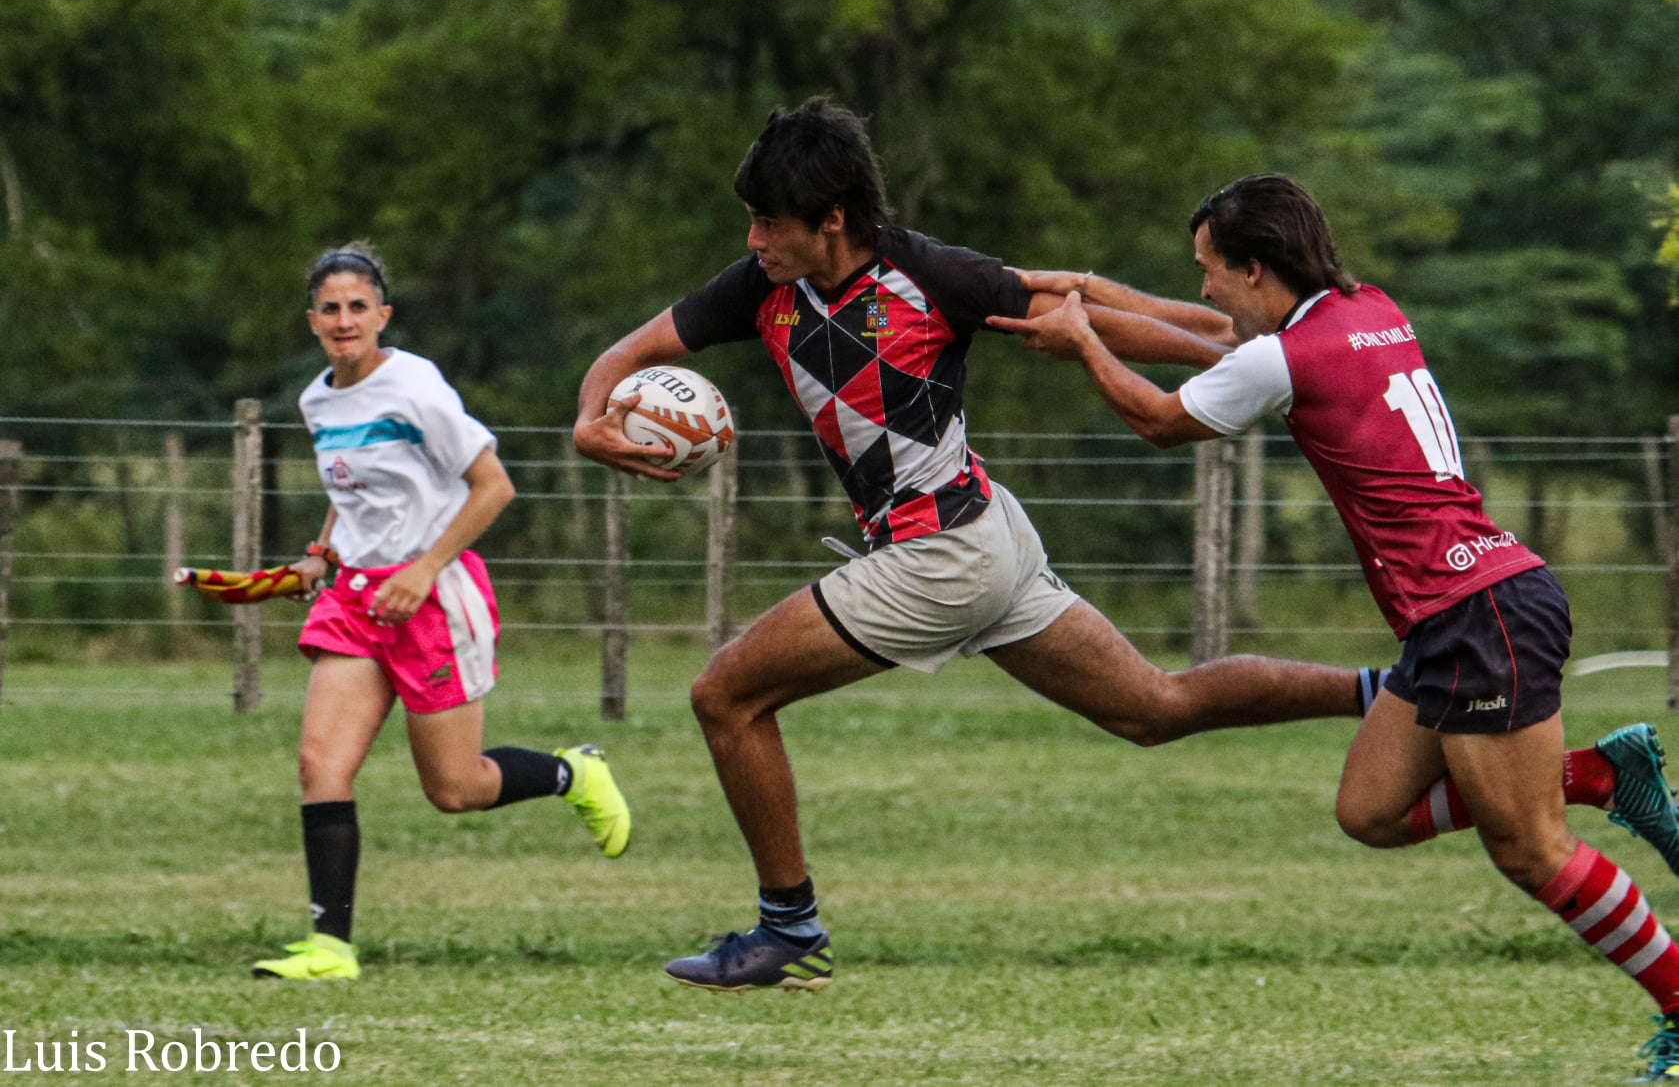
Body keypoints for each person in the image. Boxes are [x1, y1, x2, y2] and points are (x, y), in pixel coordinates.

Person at [573, 98, 1390, 995]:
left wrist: (1232, 353)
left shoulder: (929, 274)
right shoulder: (760, 286)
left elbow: (1081, 314)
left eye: (769, 220)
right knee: (1152, 708)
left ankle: (788, 927)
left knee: (724, 695)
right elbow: (630, 348)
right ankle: (1389, 689)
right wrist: (589, 421)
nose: (754, 235)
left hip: (942, 554)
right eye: (752, 218)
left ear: (832, 218)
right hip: (980, 537)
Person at [989, 173, 1679, 1079]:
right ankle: (1593, 771)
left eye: (1208, 269)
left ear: (1255, 266)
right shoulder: (1364, 309)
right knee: (1371, 811)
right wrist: (1079, 288)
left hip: (1482, 612)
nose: (1201, 287)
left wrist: (1081, 339)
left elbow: (1160, 420)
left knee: (1531, 849)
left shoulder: (1285, 356)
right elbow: (1199, 329)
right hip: (1462, 611)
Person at [251, 243, 632, 981]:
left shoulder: (416, 387)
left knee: (455, 789)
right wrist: (322, 554)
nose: (343, 319)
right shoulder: (316, 399)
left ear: (382, 315)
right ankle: (330, 946)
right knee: (318, 763)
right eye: (330, 308)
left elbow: (494, 487)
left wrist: (424, 571)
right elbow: (352, 487)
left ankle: (572, 773)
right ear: (312, 320)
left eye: (358, 306)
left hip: (434, 597)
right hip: (357, 600)